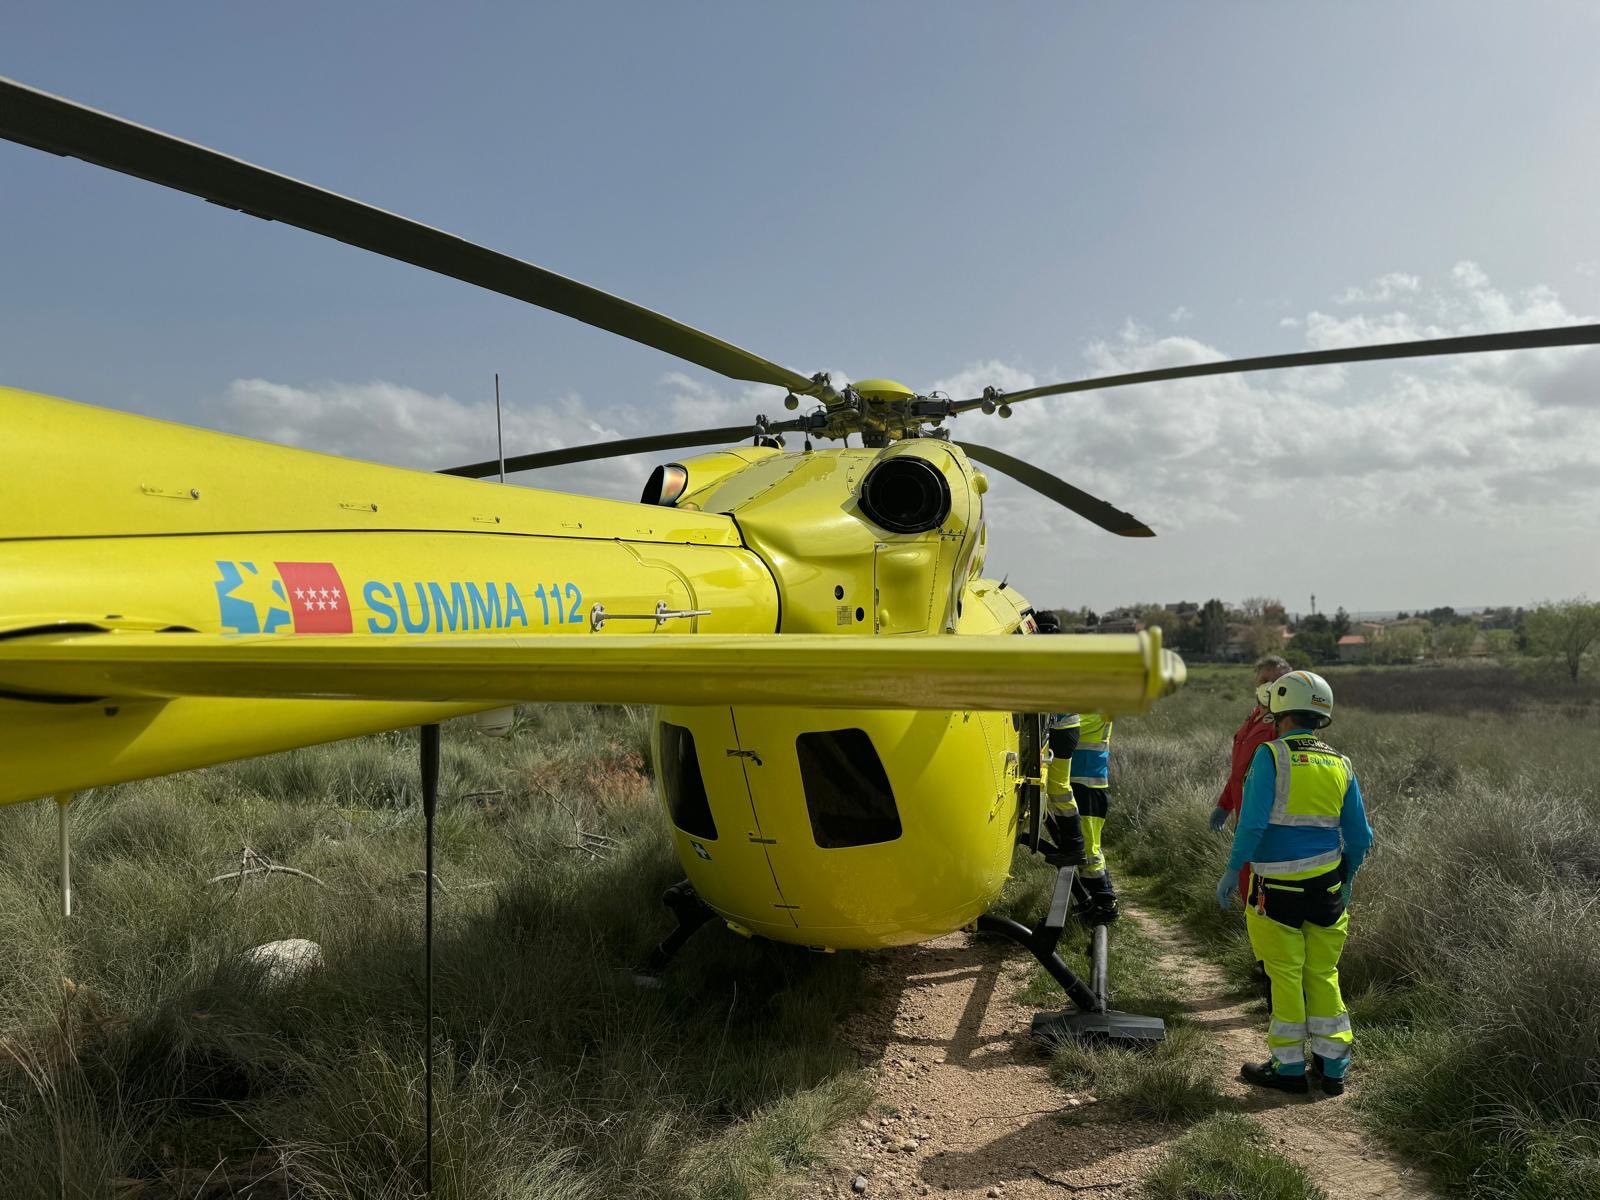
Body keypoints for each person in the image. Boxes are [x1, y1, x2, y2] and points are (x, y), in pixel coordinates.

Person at [1217, 670, 1373, 1096]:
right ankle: (1333, 1068)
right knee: (1323, 973)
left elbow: (1250, 825)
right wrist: (1347, 879)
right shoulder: (1341, 763)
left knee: (1285, 974)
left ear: (1280, 711)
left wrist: (1233, 870)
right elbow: (1361, 838)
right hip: (1326, 890)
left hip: (1275, 892)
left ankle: (1287, 1069)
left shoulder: (1271, 756)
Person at [1210, 656, 1293, 899]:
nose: (1268, 686)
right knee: (1249, 889)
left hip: (1266, 823)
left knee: (1262, 895)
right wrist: (1225, 805)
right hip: (1245, 819)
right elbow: (1240, 771)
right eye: (1263, 680)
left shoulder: (1285, 724)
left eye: (1276, 681)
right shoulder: (1255, 715)